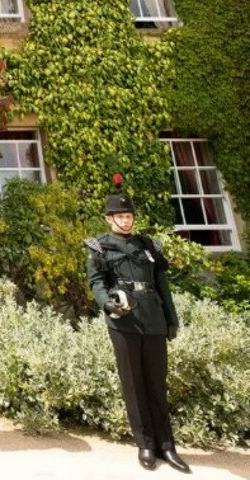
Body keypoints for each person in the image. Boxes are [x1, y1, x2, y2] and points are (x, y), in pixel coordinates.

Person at [85, 175, 189, 473]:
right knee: (133, 384)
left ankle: (166, 446)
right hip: (123, 322)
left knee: (157, 383)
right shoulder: (100, 247)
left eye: (129, 215)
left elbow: (161, 284)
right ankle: (144, 444)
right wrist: (107, 303)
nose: (126, 221)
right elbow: (96, 283)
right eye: (120, 216)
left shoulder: (148, 246)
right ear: (109, 218)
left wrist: (171, 319)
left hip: (153, 317)